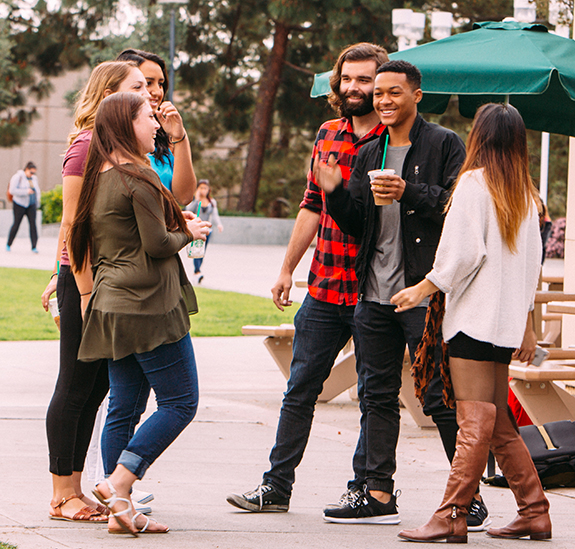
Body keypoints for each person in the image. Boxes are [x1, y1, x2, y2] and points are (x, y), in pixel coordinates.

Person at [226, 43, 389, 516]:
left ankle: (368, 489)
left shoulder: (392, 140)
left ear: (381, 86)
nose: (355, 87)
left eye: (366, 80)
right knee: (299, 390)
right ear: (338, 84)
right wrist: (286, 269)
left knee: (375, 397)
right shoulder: (327, 132)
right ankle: (276, 487)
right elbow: (311, 205)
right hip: (322, 286)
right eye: (348, 79)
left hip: (372, 290)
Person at [315, 60, 470, 525]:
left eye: (393, 92)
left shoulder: (444, 144)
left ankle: (467, 496)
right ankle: (378, 494)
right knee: (376, 396)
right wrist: (336, 193)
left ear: (416, 95)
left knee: (439, 396)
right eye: (377, 92)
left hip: (423, 294)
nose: (382, 100)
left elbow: (458, 209)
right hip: (373, 296)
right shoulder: (368, 152)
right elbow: (358, 224)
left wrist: (409, 191)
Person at [392, 103, 549, 543]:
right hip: (503, 326)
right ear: (519, 142)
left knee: (473, 421)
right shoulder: (527, 193)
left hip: (474, 323)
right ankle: (534, 511)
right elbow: (531, 267)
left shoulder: (473, 186)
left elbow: (461, 255)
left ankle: (451, 514)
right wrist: (525, 323)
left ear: (479, 137)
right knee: (496, 422)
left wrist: (423, 287)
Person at [68, 92, 211, 536]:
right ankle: (118, 482)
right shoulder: (140, 176)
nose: (157, 125)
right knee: (180, 402)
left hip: (112, 305)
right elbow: (157, 245)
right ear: (127, 125)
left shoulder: (100, 175)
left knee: (124, 406)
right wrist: (187, 231)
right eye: (149, 118)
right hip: (147, 304)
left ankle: (120, 512)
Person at [39, 61, 153, 524]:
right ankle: (61, 492)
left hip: (103, 281)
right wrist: (77, 289)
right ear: (110, 95)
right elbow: (73, 224)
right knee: (75, 382)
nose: (148, 93)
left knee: (97, 385)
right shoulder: (86, 145)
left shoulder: (115, 146)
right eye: (138, 87)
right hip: (84, 280)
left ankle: (75, 485)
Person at [116, 48, 197, 204]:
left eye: (160, 84)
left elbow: (185, 197)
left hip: (165, 227)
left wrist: (180, 138)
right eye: (148, 83)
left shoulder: (164, 135)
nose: (157, 92)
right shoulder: (104, 136)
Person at [185, 179, 224, 281]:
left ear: (208, 189)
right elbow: (187, 210)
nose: (203, 190)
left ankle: (196, 271)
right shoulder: (195, 201)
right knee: (196, 250)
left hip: (207, 231)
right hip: (197, 229)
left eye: (205, 188)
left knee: (202, 252)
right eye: (201, 188)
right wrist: (197, 200)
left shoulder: (212, 202)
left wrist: (219, 225)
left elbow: (215, 215)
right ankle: (197, 271)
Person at [6, 161, 41, 253]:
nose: (32, 174)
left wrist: (37, 202)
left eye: (34, 173)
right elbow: (12, 190)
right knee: (16, 224)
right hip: (19, 204)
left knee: (33, 225)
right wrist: (26, 192)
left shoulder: (34, 179)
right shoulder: (17, 177)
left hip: (31, 204)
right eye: (31, 172)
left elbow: (37, 191)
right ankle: (8, 244)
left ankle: (34, 246)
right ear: (26, 170)